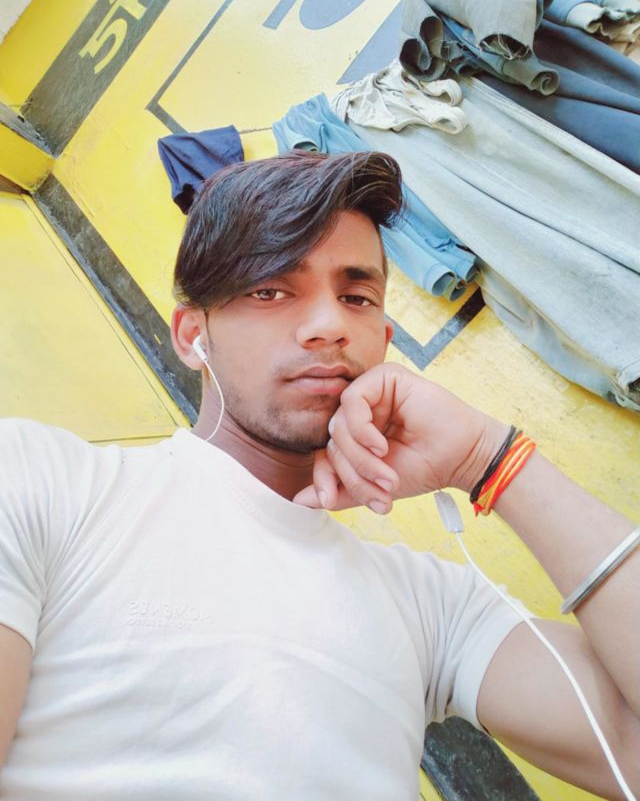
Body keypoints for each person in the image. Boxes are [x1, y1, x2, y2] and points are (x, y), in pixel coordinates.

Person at [0, 151, 638, 800]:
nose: (331, 325)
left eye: (356, 296)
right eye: (270, 289)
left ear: (383, 340)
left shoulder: (434, 608)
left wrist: (489, 458)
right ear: (193, 335)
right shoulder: (44, 485)